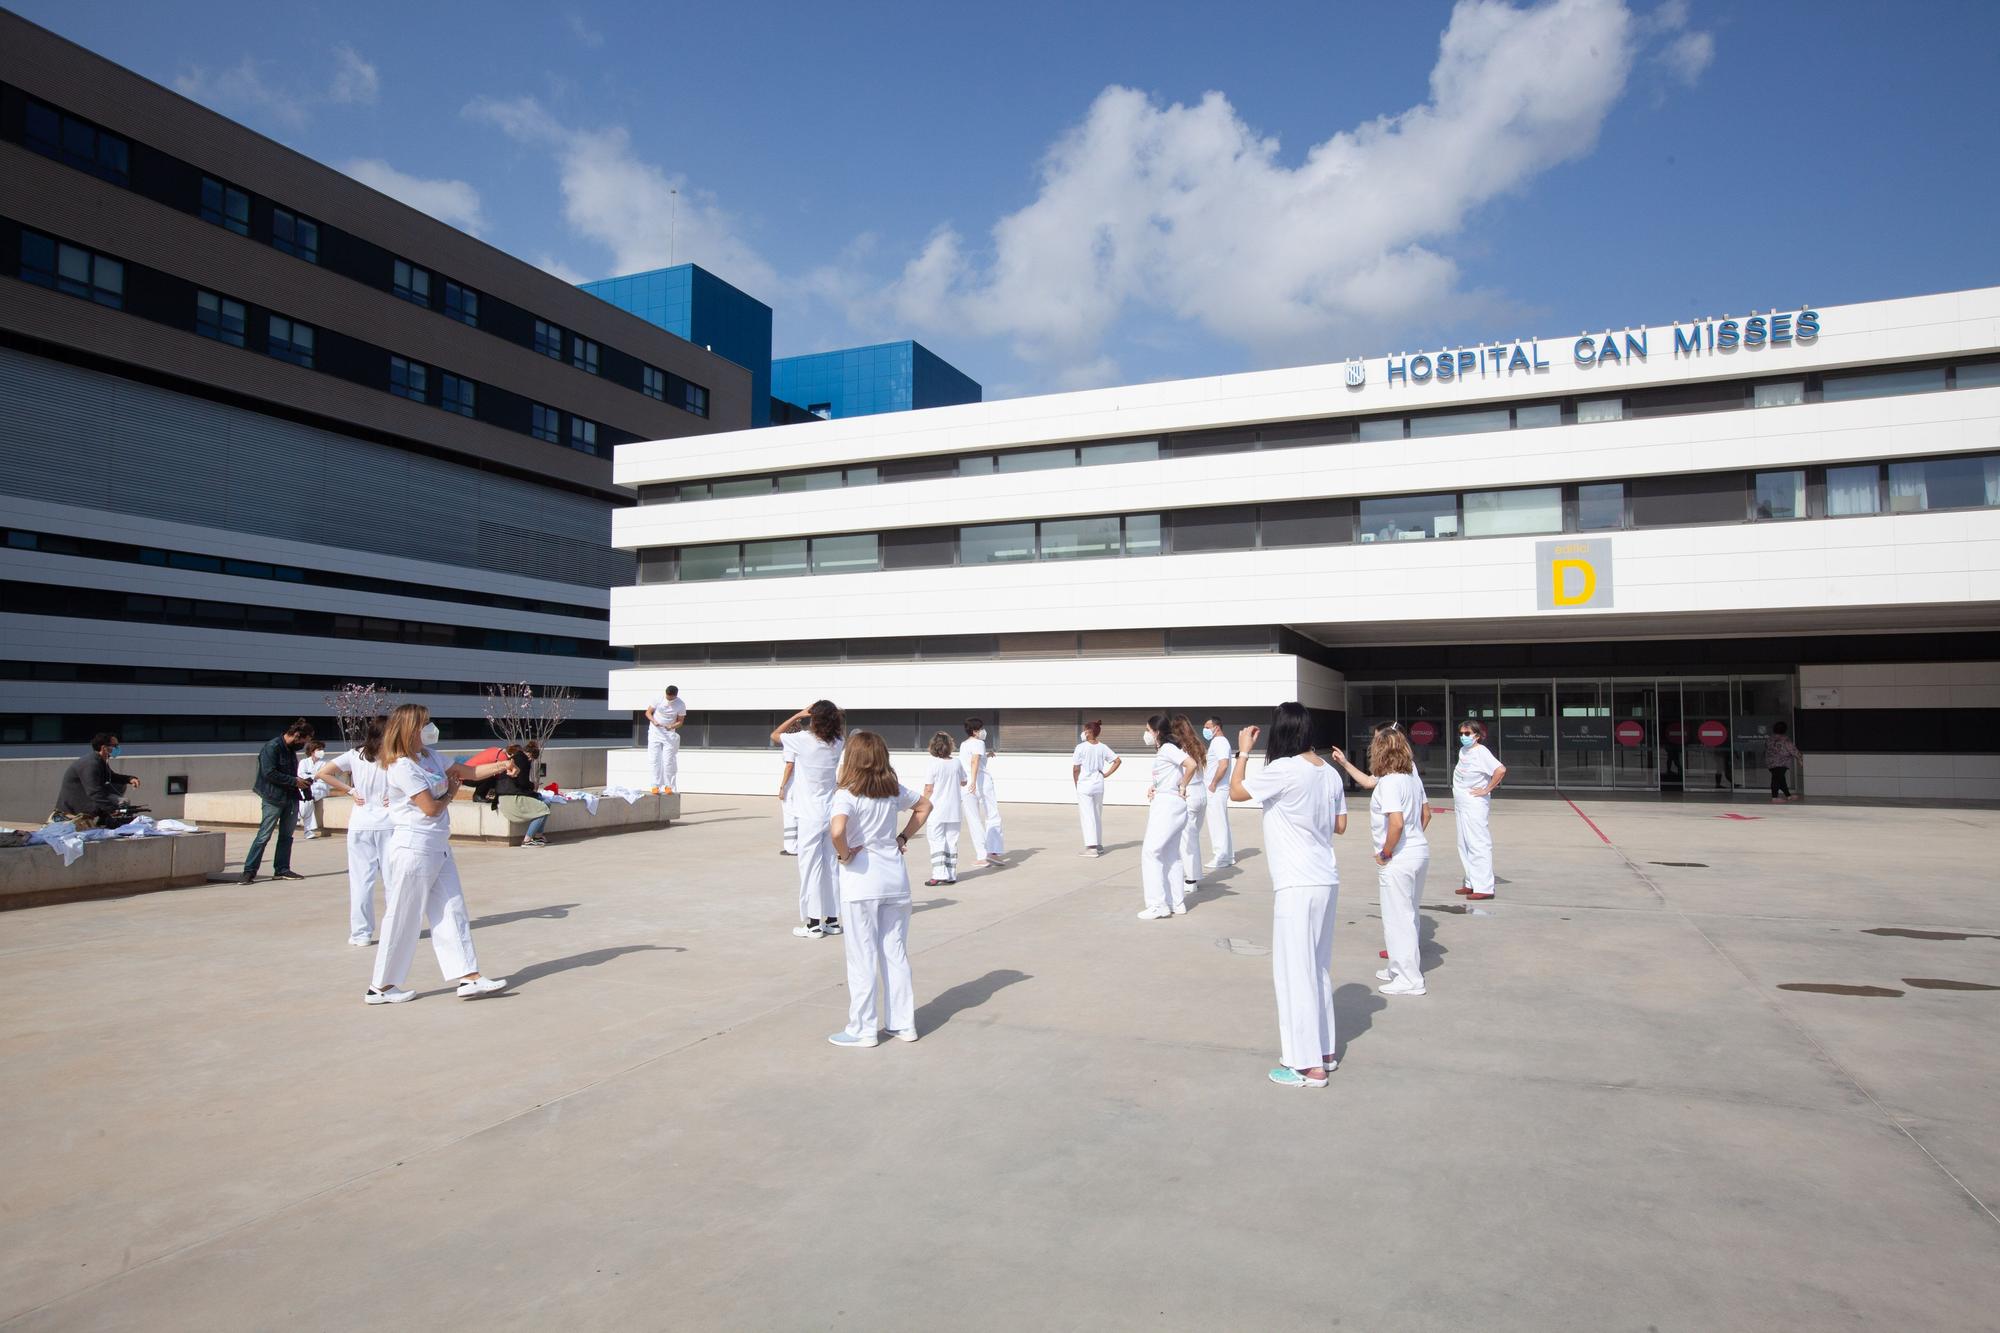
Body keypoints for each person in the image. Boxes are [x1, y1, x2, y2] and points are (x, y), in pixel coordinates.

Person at [1230, 703, 1347, 1089]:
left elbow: (1237, 792)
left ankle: (1304, 1065)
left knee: (1294, 973)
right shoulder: (1327, 772)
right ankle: (1324, 1052)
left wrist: (1243, 751)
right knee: (1317, 969)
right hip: (1325, 879)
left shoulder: (1283, 769)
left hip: (1296, 884)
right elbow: (1340, 824)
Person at [366, 703, 507, 1004]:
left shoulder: (429, 757)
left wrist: (502, 764)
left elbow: (467, 771)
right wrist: (451, 794)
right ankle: (381, 986)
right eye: (425, 723)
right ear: (410, 729)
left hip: (437, 847)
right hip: (413, 848)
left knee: (453, 910)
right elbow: (430, 808)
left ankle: (468, 977)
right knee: (403, 916)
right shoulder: (402, 766)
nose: (431, 728)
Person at [827, 731, 933, 1048]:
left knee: (862, 957)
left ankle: (863, 1029)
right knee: (895, 953)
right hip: (895, 881)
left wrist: (844, 854)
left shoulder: (846, 794)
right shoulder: (893, 791)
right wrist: (901, 838)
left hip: (861, 882)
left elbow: (837, 830)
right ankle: (902, 1025)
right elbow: (925, 806)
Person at [1332, 726, 1432, 996]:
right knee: (1408, 914)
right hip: (1418, 851)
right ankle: (1398, 967)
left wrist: (1386, 852)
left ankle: (1409, 978)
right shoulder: (1411, 778)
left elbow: (1395, 823)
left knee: (1397, 918)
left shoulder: (1389, 784)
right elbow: (1426, 815)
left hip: (1398, 857)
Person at [314, 717, 392, 946]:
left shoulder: (355, 755)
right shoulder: (396, 757)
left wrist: (350, 790)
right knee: (393, 881)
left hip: (360, 823)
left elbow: (324, 773)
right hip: (389, 823)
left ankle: (360, 934)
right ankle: (395, 930)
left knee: (360, 881)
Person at [772, 702, 844, 938]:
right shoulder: (838, 742)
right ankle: (832, 920)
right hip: (830, 811)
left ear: (814, 718)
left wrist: (798, 715)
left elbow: (775, 735)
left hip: (810, 815)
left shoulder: (802, 739)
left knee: (810, 868)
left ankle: (813, 923)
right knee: (831, 868)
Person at [1137, 712, 1200, 920]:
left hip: (1167, 806)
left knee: (1151, 852)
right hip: (1169, 801)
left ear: (1156, 732)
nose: (1146, 734)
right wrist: (1155, 787)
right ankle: (1176, 902)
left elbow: (1191, 764)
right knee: (1171, 855)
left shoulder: (1167, 749)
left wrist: (1182, 786)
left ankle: (1157, 905)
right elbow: (1169, 775)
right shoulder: (1166, 750)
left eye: (1148, 730)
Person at [241, 719, 315, 884]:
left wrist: (300, 782)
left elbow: (288, 774)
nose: (304, 745)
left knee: (286, 836)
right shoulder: (272, 747)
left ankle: (282, 869)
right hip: (273, 798)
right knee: (263, 836)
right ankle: (249, 871)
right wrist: (295, 781)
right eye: (304, 740)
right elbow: (269, 773)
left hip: (290, 797)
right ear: (297, 736)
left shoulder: (290, 750)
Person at [1452, 721, 1506, 901]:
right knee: (1464, 844)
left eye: (1467, 733)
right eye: (1461, 733)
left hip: (1475, 804)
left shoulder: (1481, 752)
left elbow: (1500, 770)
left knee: (1478, 843)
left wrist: (1487, 788)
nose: (1463, 737)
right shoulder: (1463, 751)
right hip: (1461, 804)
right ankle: (1470, 882)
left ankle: (1484, 887)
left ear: (1477, 735)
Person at [54, 733, 141, 825]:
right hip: (73, 806)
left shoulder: (100, 760)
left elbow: (111, 776)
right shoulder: (91, 764)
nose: (117, 748)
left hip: (86, 796)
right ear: (104, 748)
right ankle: (108, 819)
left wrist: (130, 779)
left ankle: (104, 819)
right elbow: (94, 792)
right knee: (123, 802)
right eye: (114, 746)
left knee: (119, 785)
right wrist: (112, 809)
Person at [960, 717, 1007, 868]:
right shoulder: (979, 743)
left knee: (974, 820)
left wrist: (987, 755)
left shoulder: (963, 745)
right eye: (980, 729)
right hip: (981, 783)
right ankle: (993, 852)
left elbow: (971, 760)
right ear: (975, 731)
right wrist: (974, 780)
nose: (983, 731)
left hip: (967, 786)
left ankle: (982, 856)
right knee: (992, 815)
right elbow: (975, 760)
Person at [1070, 720, 1121, 857]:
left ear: (1089, 732)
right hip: (1098, 784)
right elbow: (1117, 761)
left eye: (1085, 730)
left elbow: (1076, 769)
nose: (1083, 732)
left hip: (1085, 785)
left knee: (1087, 815)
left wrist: (1077, 784)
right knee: (1097, 815)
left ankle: (1091, 847)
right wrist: (1106, 774)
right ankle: (1098, 845)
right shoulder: (1103, 747)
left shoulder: (1080, 747)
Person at [1171, 714, 1208, 892]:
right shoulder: (1198, 744)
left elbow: (1184, 770)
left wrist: (1181, 785)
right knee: (1192, 837)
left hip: (1190, 793)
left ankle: (1191, 880)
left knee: (1187, 840)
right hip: (1201, 793)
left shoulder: (1180, 748)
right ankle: (1193, 876)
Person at [921, 732, 964, 886]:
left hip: (936, 809)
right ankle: (951, 874)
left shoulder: (933, 764)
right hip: (954, 810)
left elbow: (928, 789)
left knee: (936, 840)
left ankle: (939, 874)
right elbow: (964, 781)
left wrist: (921, 805)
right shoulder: (957, 763)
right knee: (952, 841)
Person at [493, 744, 552, 846]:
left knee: (546, 802)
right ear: (530, 755)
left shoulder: (515, 758)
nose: (531, 761)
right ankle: (527, 840)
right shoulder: (523, 760)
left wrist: (533, 791)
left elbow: (520, 782)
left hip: (507, 795)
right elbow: (522, 782)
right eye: (532, 759)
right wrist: (533, 785)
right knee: (543, 809)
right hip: (512, 797)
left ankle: (538, 836)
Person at [1201, 717, 1236, 869]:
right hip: (1216, 789)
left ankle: (1221, 856)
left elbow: (1223, 765)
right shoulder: (1217, 742)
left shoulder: (1220, 742)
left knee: (1217, 823)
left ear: (1217, 727)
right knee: (1221, 822)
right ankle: (1227, 856)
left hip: (1216, 789)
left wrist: (1213, 784)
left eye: (1208, 727)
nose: (1205, 730)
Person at [646, 684, 687, 794]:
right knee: (654, 759)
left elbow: (680, 721)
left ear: (675, 696)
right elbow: (648, 712)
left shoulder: (680, 704)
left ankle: (669, 786)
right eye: (667, 696)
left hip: (669, 734)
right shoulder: (658, 699)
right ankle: (655, 785)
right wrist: (654, 721)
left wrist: (672, 726)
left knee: (668, 760)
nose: (668, 699)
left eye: (671, 697)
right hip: (655, 732)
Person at [778, 717, 806, 856]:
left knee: (789, 815)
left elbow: (789, 765)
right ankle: (799, 844)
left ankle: (791, 847)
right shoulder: (803, 744)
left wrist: (782, 787)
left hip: (792, 785)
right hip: (802, 783)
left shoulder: (790, 745)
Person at [298, 741, 329, 839]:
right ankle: (308, 830)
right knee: (308, 800)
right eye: (319, 749)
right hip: (306, 786)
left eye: (322, 749)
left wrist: (311, 776)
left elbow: (323, 777)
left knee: (308, 798)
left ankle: (299, 816)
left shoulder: (324, 763)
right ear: (312, 751)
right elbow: (301, 775)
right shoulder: (304, 762)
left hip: (320, 788)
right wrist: (315, 776)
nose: (322, 751)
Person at [1765, 721, 1802, 803]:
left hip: (1770, 763)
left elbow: (1767, 749)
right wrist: (1799, 759)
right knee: (1776, 779)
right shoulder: (1785, 739)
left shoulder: (1769, 739)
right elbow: (1793, 750)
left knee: (1781, 779)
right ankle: (1774, 797)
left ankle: (1788, 796)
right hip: (1781, 763)